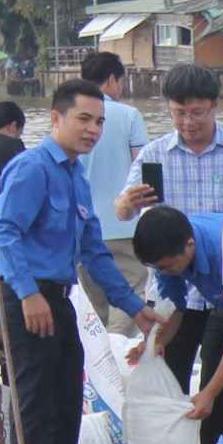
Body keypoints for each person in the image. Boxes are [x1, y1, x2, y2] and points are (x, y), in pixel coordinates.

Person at [0, 79, 161, 444]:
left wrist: (134, 306)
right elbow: (4, 232)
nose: (93, 130)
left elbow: (95, 250)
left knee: (66, 398)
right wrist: (27, 295)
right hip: (26, 296)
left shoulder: (75, 176)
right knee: (34, 401)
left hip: (59, 295)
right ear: (56, 118)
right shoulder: (32, 169)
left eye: (100, 122)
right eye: (84, 119)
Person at [114, 65, 223, 417]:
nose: (187, 122)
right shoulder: (154, 155)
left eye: (197, 113)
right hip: (173, 279)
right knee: (168, 375)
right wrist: (124, 205)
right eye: (178, 113)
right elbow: (124, 213)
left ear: (215, 106)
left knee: (220, 384)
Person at [129, 206, 223, 444]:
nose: (163, 272)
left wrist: (209, 394)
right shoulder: (167, 251)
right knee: (210, 389)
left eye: (167, 267)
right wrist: (156, 342)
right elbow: (175, 304)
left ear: (189, 245)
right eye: (158, 268)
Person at [77, 51, 152, 334]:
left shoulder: (71, 119)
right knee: (131, 294)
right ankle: (115, 353)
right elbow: (141, 167)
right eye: (120, 83)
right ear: (111, 80)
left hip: (84, 228)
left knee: (96, 307)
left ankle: (100, 364)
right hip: (126, 227)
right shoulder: (129, 116)